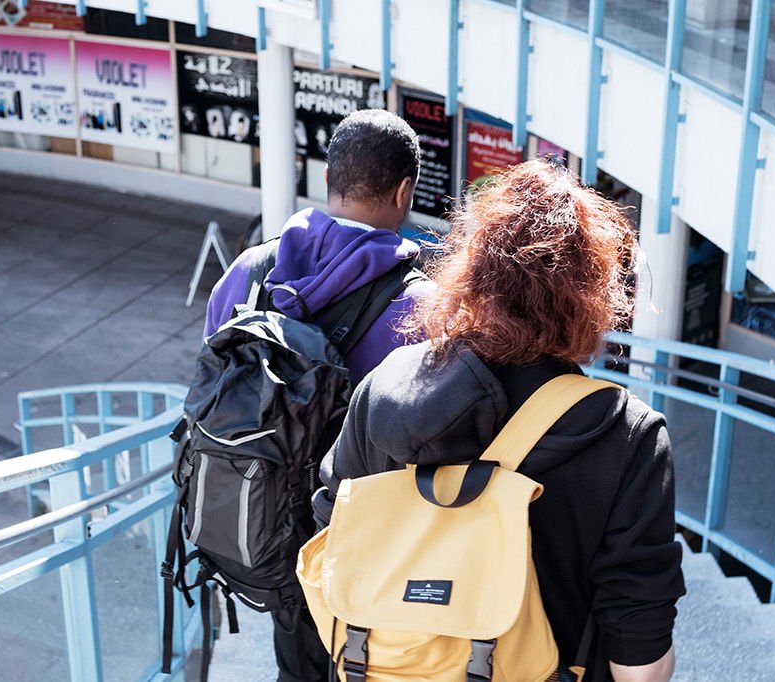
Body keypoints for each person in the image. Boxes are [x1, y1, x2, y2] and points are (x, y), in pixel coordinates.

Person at [316, 159, 685, 681]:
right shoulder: (627, 434)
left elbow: (333, 539)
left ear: (471, 270)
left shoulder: (387, 386)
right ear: (595, 298)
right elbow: (639, 655)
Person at [200, 108, 435, 681]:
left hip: (268, 521)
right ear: (404, 191)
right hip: (369, 543)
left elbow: (212, 375)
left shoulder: (250, 270)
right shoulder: (423, 307)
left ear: (329, 180)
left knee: (298, 654)